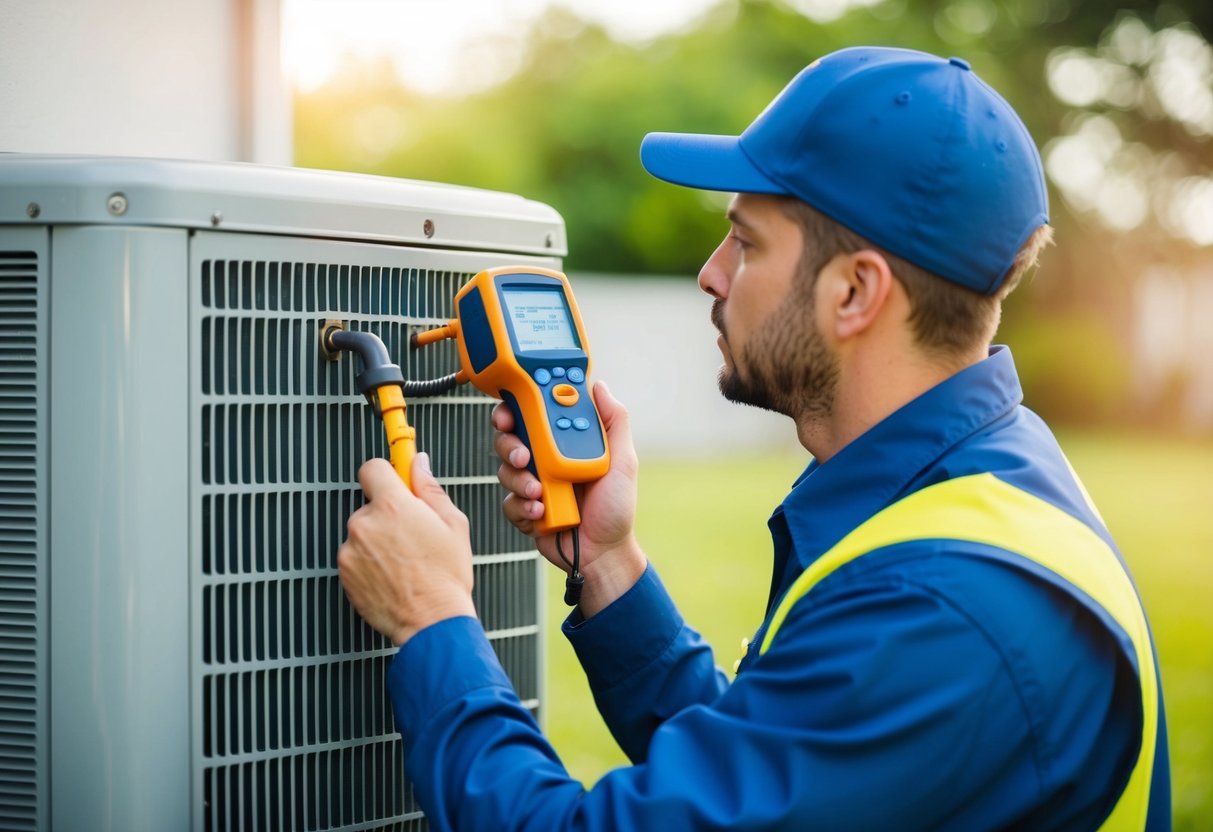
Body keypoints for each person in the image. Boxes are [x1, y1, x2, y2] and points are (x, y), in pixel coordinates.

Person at [337, 45, 1169, 830]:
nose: (710, 271)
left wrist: (433, 614)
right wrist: (611, 563)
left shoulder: (948, 610)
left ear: (854, 292)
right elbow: (783, 770)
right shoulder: (982, 483)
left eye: (744, 241)